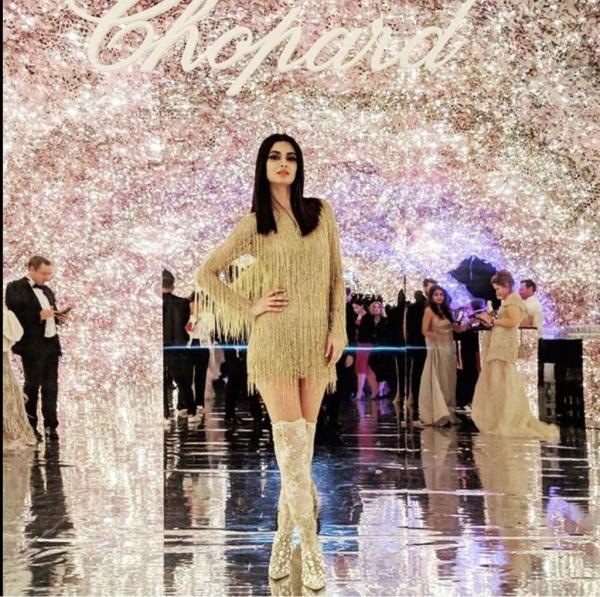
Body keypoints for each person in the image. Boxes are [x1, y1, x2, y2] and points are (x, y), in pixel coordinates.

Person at [195, 134, 346, 590]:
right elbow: (207, 273)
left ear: (299, 166)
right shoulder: (254, 224)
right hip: (274, 340)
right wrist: (250, 307)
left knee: (301, 452)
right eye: (275, 157)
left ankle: (283, 539)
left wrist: (338, 329)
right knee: (291, 450)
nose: (284, 164)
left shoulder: (321, 212)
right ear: (263, 166)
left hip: (317, 343)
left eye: (291, 157)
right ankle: (312, 550)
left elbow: (336, 277)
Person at [471, 270, 559, 439]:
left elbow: (513, 322)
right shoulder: (509, 300)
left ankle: (508, 419)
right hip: (499, 344)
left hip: (503, 347)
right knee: (499, 383)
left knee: (504, 382)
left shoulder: (513, 300)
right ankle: (500, 418)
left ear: (506, 285)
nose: (497, 292)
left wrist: (493, 321)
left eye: (498, 288)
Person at [5, 256, 70, 442]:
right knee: (32, 386)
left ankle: (51, 425)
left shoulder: (47, 291)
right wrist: (38, 315)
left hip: (51, 344)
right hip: (32, 345)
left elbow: (51, 315)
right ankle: (30, 426)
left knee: (51, 387)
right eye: (44, 273)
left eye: (50, 274)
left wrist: (59, 318)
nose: (47, 278)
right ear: (31, 269)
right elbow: (13, 315)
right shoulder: (15, 287)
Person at [418, 285, 467, 427]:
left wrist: (469, 321)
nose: (439, 297)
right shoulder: (429, 310)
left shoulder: (446, 310)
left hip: (449, 350)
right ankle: (438, 412)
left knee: (449, 379)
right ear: (431, 297)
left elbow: (457, 329)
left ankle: (448, 410)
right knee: (439, 378)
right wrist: (437, 336)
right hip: (437, 349)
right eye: (436, 295)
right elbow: (424, 330)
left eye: (441, 294)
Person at [162, 270, 201, 423]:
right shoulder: (183, 303)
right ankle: (191, 412)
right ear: (173, 286)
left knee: (162, 382)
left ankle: (165, 414)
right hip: (177, 348)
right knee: (183, 381)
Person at [3, 304, 36, 449]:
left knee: (8, 395)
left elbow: (16, 334)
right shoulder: (7, 315)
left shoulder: (7, 315)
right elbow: (16, 335)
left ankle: (10, 430)